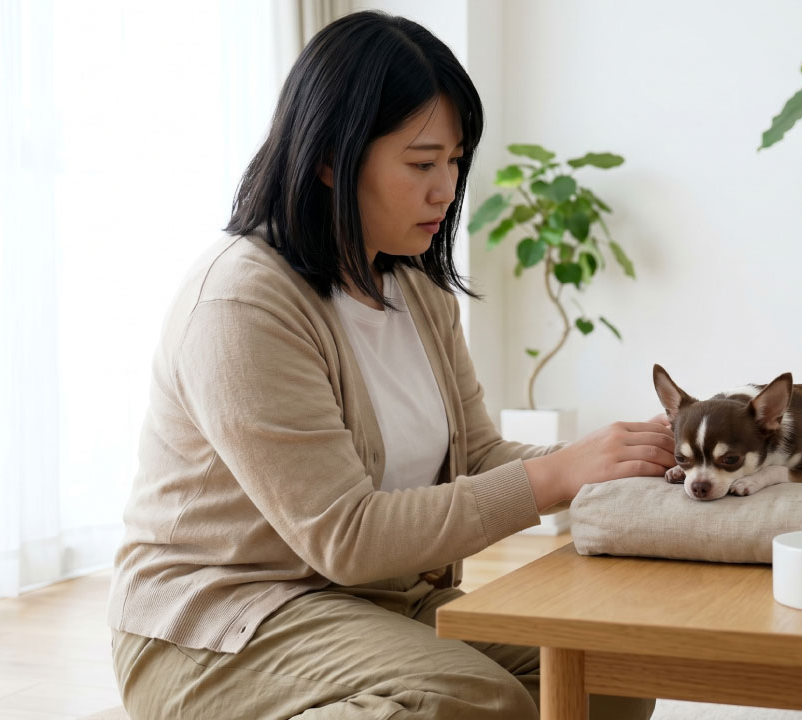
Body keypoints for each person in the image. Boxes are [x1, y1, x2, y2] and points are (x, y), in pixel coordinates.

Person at [107, 10, 673, 719]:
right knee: (473, 700)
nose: (447, 189)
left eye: (456, 160)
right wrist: (554, 477)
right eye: (421, 163)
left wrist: (616, 466)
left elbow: (478, 456)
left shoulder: (414, 287)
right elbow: (345, 534)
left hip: (378, 606)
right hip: (225, 626)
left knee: (605, 675)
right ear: (328, 160)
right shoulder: (242, 305)